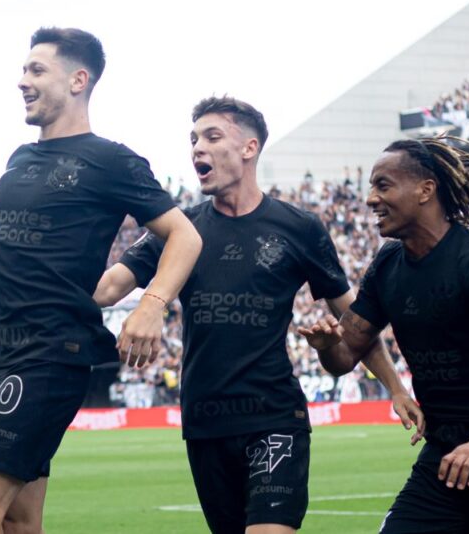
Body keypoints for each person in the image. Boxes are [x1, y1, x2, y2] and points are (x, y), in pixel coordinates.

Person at [0, 27, 201, 534]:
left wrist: (151, 306)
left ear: (78, 80)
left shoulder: (111, 160)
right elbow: (6, 232)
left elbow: (184, 236)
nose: (22, 80)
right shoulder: (20, 159)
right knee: (19, 520)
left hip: (47, 353)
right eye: (23, 70)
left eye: (36, 70)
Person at [94, 96, 421, 534]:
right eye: (193, 139)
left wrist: (395, 388)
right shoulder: (180, 231)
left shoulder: (298, 227)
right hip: (205, 423)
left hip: (274, 416)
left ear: (249, 148)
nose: (197, 149)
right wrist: (28, 260)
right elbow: (107, 288)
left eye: (212, 136)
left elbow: (353, 319)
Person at [298, 136, 469, 533]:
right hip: (443, 453)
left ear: (426, 190)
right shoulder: (387, 265)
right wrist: (326, 346)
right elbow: (343, 358)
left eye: (383, 185)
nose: (371, 199)